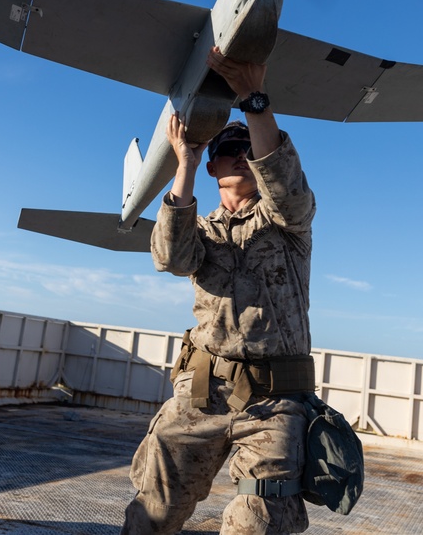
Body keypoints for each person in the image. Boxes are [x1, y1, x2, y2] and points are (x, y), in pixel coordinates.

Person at [121, 46, 316, 535]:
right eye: (231, 150)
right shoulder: (202, 230)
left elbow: (288, 189)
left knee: (257, 521)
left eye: (250, 151)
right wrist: (183, 162)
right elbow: (170, 257)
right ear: (213, 166)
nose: (244, 157)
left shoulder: (285, 223)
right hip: (201, 394)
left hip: (272, 403)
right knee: (153, 514)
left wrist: (254, 101)